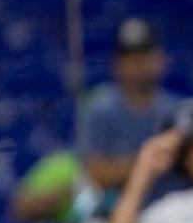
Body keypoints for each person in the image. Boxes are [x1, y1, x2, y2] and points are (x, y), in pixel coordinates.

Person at [77, 17, 181, 209]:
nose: (139, 63)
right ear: (116, 63)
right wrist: (151, 161)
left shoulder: (177, 110)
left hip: (172, 213)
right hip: (118, 215)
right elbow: (95, 173)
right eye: (130, 56)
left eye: (145, 54)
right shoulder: (100, 109)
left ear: (161, 59)